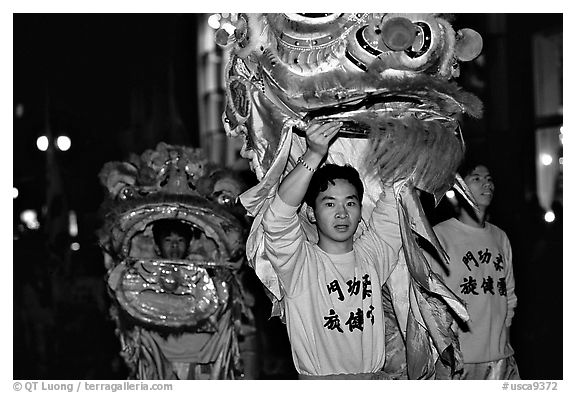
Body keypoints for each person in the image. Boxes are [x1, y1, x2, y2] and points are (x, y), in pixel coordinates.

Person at [261, 121, 402, 379]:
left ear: (360, 212)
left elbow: (396, 198)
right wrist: (313, 154)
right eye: (329, 203)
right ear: (311, 214)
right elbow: (277, 219)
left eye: (350, 203)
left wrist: (404, 139)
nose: (341, 213)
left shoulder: (372, 256)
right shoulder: (299, 264)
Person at [430, 162, 520, 379]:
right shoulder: (438, 235)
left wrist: (504, 339)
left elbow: (508, 295)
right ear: (458, 186)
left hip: (500, 358)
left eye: (488, 178)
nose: (486, 184)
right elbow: (430, 301)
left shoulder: (500, 237)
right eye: (476, 178)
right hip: (461, 362)